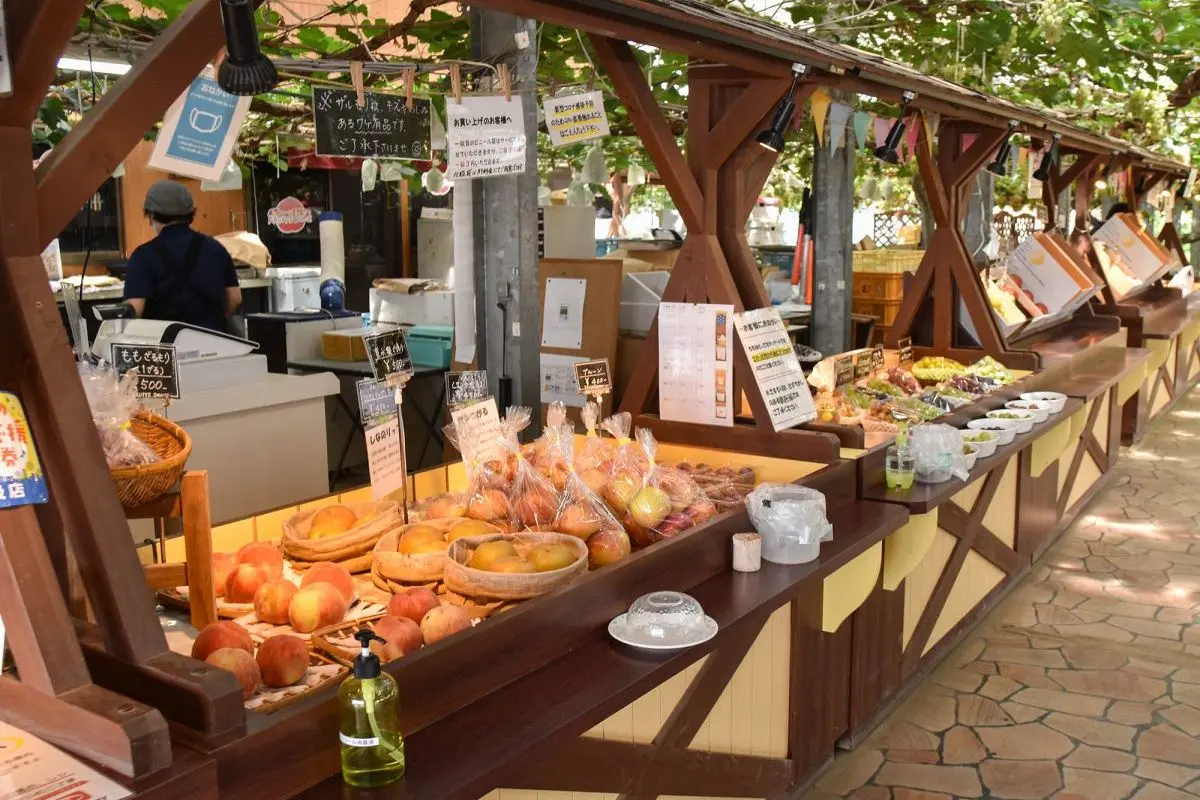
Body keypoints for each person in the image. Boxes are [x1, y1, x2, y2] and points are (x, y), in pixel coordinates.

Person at [124, 180, 241, 333]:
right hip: (214, 339)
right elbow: (235, 298)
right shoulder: (216, 249)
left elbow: (134, 310)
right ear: (190, 213)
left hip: (165, 343)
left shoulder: (143, 256)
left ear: (151, 215)